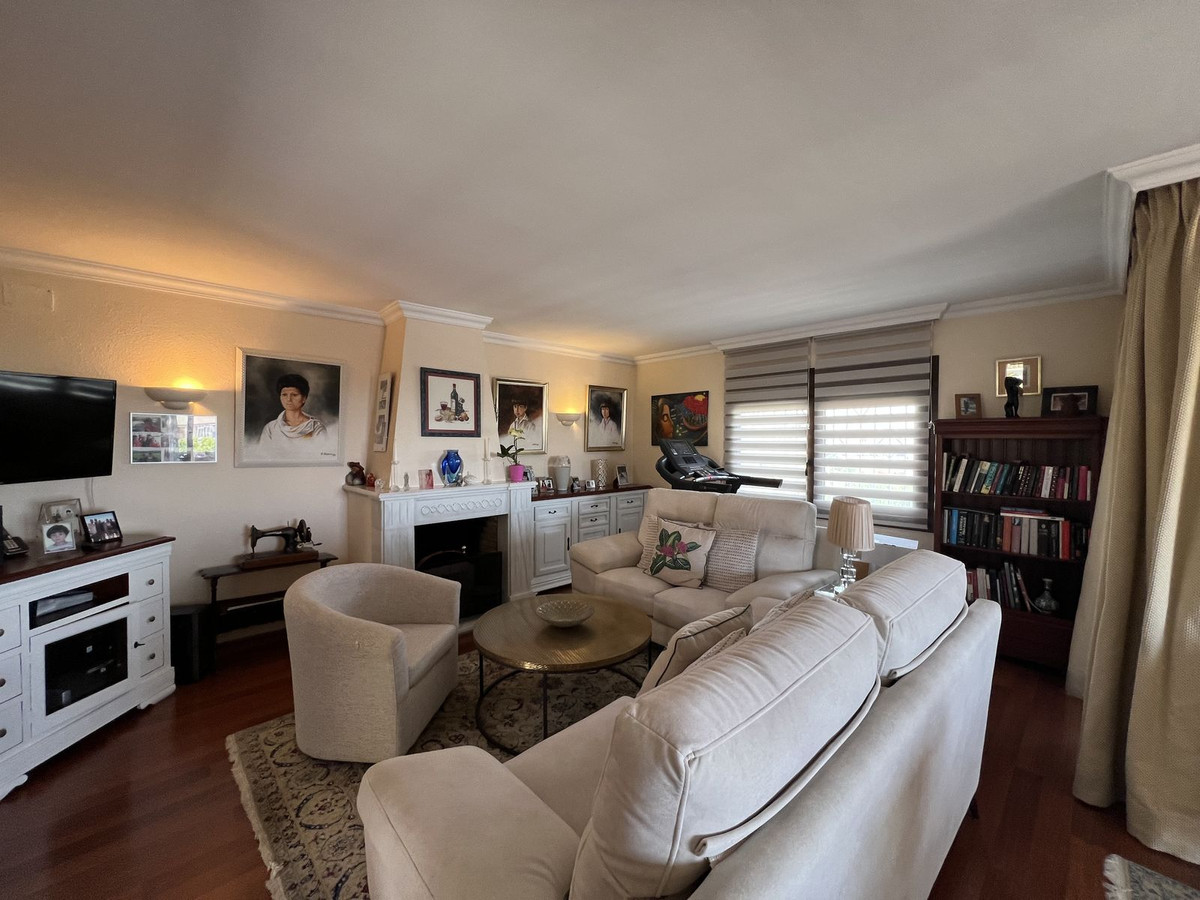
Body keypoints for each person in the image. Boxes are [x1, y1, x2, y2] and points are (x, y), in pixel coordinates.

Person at [259, 374, 334, 455]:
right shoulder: (270, 428)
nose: (288, 399)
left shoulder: (316, 427)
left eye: (294, 395)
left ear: (304, 398)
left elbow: (322, 455)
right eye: (284, 395)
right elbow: (263, 456)